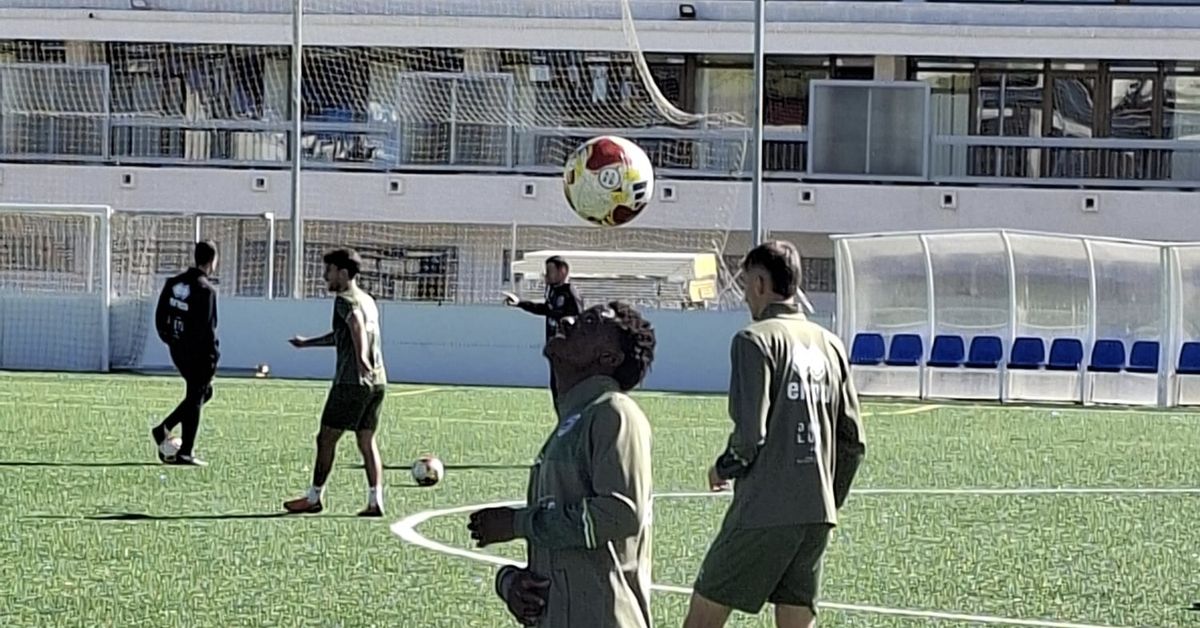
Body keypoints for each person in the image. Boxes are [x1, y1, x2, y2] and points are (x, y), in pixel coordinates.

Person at [683, 241, 867, 628]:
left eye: (747, 283)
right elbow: (853, 442)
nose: (745, 294)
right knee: (796, 620)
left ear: (761, 283)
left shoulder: (755, 339)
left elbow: (750, 437)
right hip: (816, 514)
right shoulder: (831, 344)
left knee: (703, 615)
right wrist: (828, 500)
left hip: (764, 509)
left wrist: (722, 468)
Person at [468, 302, 656, 628]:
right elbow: (568, 542)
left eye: (589, 323)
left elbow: (619, 514)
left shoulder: (615, 411)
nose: (567, 321)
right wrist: (512, 583)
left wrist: (518, 523)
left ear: (609, 358)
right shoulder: (576, 419)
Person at [283, 248, 389, 517]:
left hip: (351, 382)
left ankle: (313, 498)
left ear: (343, 273)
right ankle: (375, 500)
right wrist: (308, 343)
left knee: (326, 438)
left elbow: (355, 326)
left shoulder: (345, 299)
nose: (324, 276)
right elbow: (343, 334)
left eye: (328, 271)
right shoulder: (368, 299)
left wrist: (361, 358)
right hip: (377, 382)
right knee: (366, 441)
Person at [151, 240, 220, 467]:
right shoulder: (205, 290)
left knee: (202, 394)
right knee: (197, 394)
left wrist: (169, 339)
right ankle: (185, 452)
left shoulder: (173, 283)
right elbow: (207, 327)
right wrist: (213, 356)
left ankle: (164, 428)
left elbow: (161, 315)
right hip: (198, 353)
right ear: (213, 261)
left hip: (178, 349)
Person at [502, 255, 584, 398]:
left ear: (562, 271)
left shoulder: (570, 292)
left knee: (568, 390)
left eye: (549, 271)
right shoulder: (552, 290)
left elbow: (579, 320)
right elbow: (546, 309)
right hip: (555, 349)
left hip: (568, 352)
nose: (546, 275)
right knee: (556, 388)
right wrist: (520, 303)